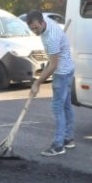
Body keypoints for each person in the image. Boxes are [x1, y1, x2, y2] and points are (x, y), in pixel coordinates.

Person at [26, 11, 76, 156]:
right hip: (68, 69)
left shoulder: (51, 38)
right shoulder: (45, 20)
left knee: (57, 108)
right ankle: (69, 138)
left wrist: (38, 82)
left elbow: (53, 65)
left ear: (42, 23)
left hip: (61, 73)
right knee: (66, 106)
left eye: (36, 28)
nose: (35, 31)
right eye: (32, 29)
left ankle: (58, 145)